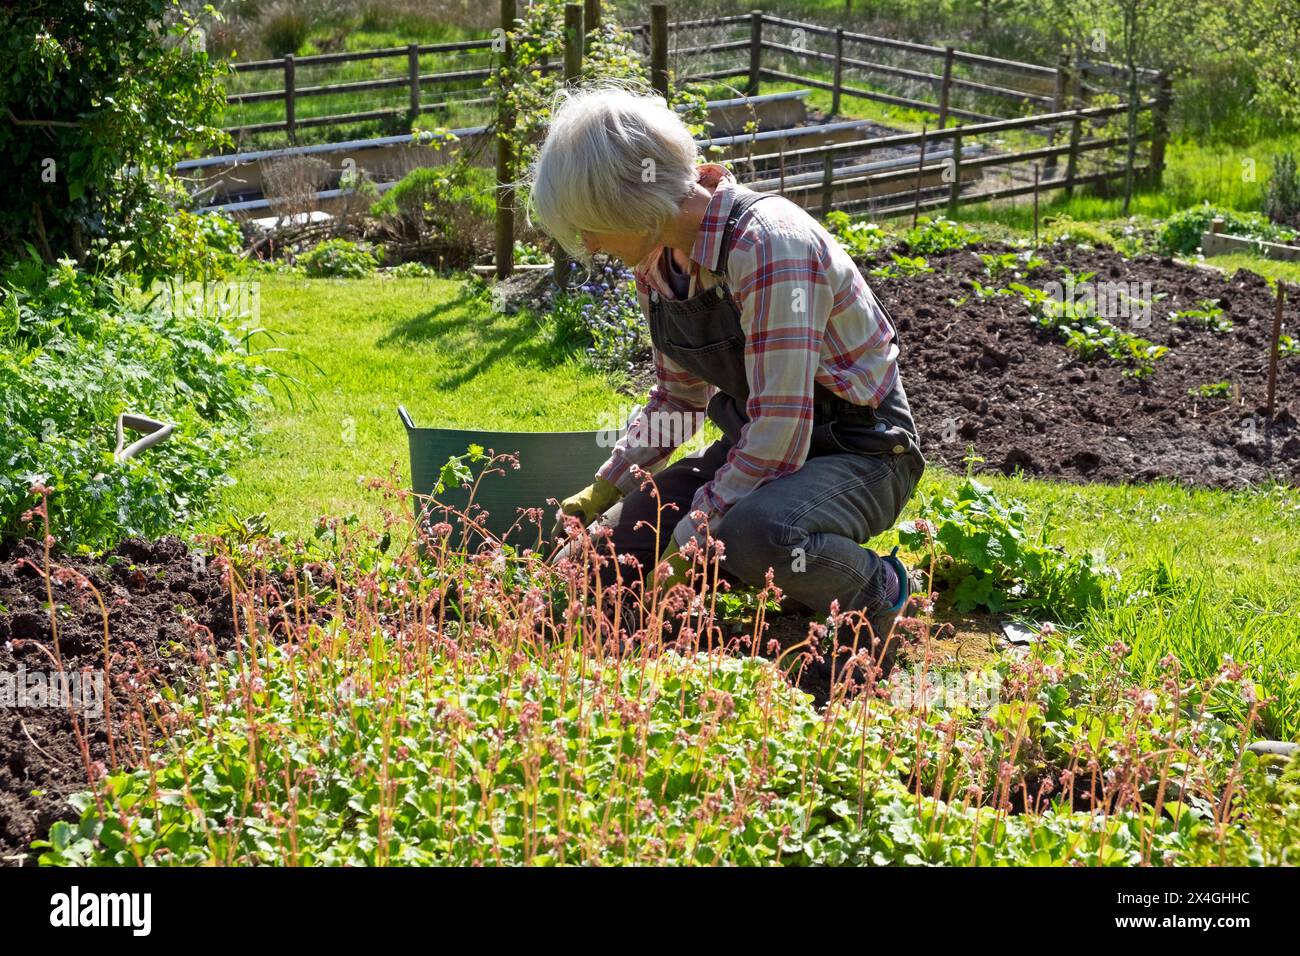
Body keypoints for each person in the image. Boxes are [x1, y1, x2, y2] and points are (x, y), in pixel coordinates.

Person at [527, 83, 925, 661]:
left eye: (589, 224)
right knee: (610, 551)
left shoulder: (768, 246)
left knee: (755, 537)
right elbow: (676, 399)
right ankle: (797, 578)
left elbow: (780, 431)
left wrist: (693, 540)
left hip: (860, 452)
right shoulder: (658, 261)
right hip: (761, 449)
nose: (586, 242)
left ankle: (884, 590)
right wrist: (608, 482)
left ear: (625, 200)